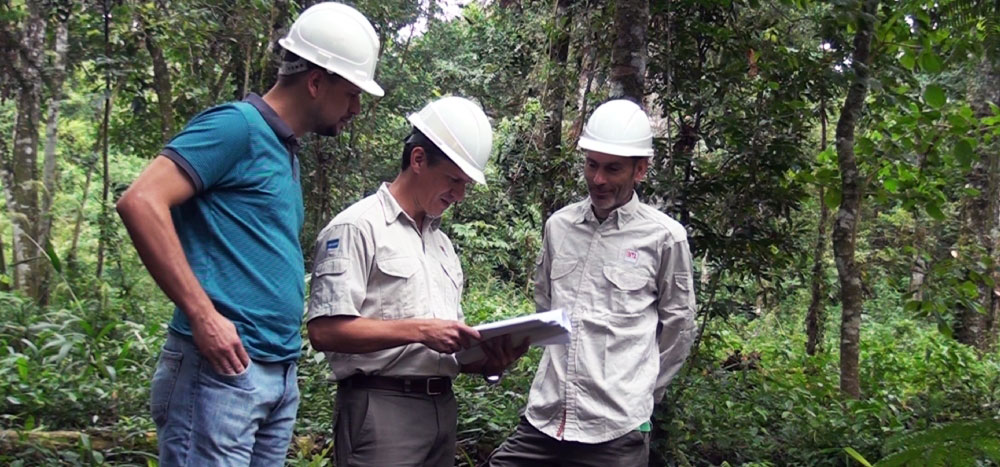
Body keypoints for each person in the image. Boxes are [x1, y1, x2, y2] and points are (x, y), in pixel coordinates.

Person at [115, 3, 385, 465]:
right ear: (316, 82)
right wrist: (203, 316)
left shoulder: (284, 151)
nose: (356, 108)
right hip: (217, 374)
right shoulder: (236, 126)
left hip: (274, 374)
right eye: (351, 93)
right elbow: (140, 201)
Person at [305, 96, 528, 467]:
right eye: (454, 179)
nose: (460, 194)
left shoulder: (442, 246)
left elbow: (442, 350)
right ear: (419, 159)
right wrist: (419, 330)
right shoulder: (357, 227)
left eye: (466, 184)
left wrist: (489, 360)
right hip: (381, 409)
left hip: (441, 408)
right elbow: (325, 332)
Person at [488, 99, 698, 467]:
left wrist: (642, 391)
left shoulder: (666, 237)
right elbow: (545, 306)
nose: (598, 179)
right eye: (592, 165)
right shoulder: (559, 226)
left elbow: (678, 328)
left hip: (614, 429)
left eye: (613, 168)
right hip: (546, 418)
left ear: (640, 169)